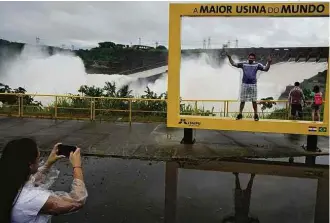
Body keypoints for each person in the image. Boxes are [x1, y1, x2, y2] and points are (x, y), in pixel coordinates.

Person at [0, 138, 88, 223]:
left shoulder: (8, 181)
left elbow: (32, 180)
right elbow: (77, 202)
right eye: (38, 157)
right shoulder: (32, 199)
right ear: (30, 164)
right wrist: (77, 166)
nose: (39, 160)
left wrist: (48, 164)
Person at [226, 52, 272, 121]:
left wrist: (269, 62)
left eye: (252, 58)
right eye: (250, 58)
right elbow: (233, 64)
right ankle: (240, 114)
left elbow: (265, 69)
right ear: (248, 57)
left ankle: (256, 115)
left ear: (254, 59)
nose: (251, 59)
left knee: (254, 101)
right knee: (242, 100)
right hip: (245, 84)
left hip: (253, 85)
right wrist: (229, 58)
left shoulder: (257, 65)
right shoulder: (244, 64)